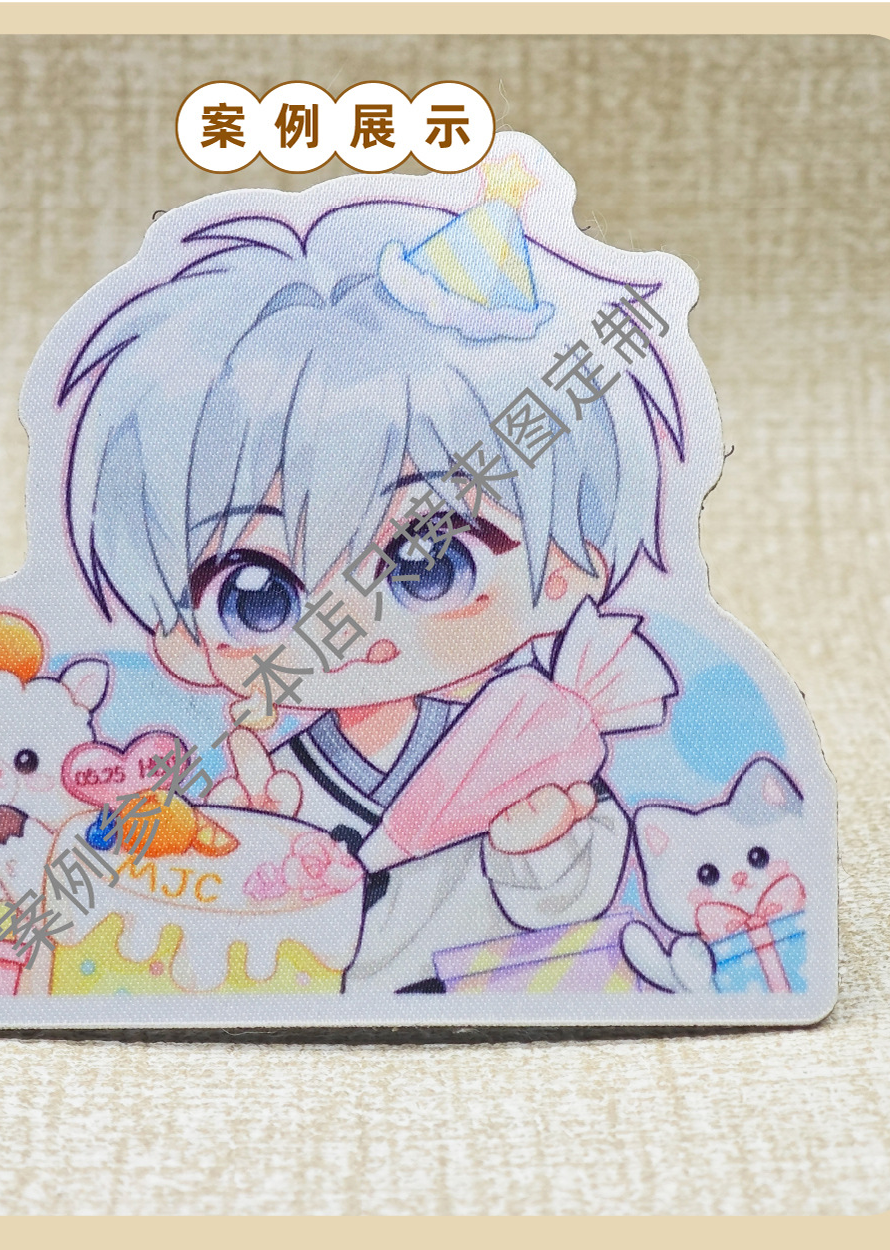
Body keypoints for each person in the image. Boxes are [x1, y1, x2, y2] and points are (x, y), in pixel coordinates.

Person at [60, 150, 682, 992]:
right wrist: (252, 838)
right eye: (259, 595)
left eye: (431, 566)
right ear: (179, 638)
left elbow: (566, 900)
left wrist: (536, 845)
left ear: (565, 573)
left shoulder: (526, 743)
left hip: (475, 999)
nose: (344, 625)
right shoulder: (284, 776)